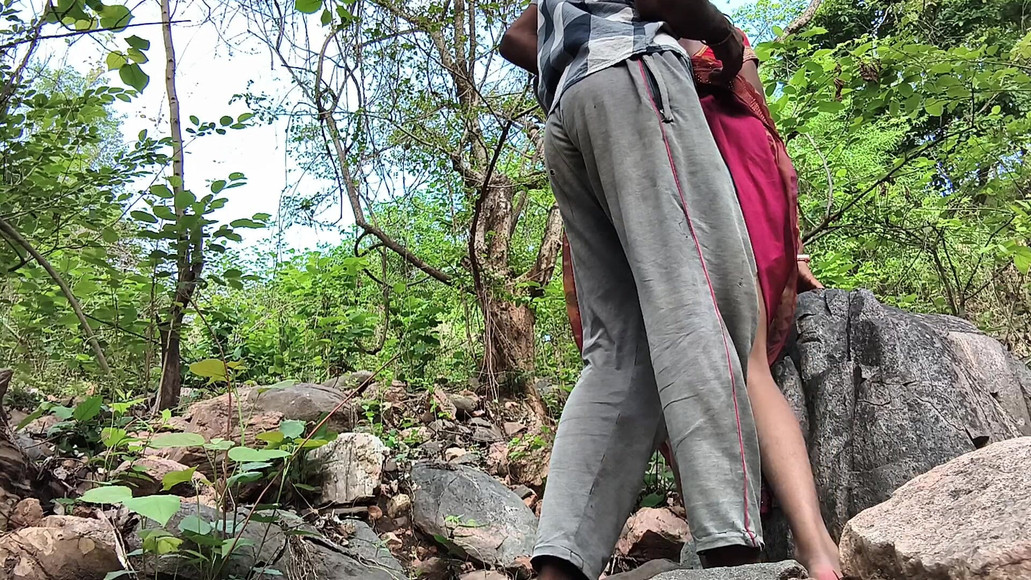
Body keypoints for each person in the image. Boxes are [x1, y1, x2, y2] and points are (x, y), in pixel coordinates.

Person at [500, 1, 778, 579]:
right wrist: (722, 35)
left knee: (617, 354)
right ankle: (731, 550)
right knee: (698, 306)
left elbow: (517, 37)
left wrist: (583, 58)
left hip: (570, 110)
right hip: (635, 79)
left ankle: (560, 566)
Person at [557, 31, 842, 579]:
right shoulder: (701, 38)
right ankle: (803, 548)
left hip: (651, 177)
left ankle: (759, 544)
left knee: (660, 360)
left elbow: (519, 38)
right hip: (706, 175)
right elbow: (761, 128)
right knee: (742, 363)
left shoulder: (603, 34)